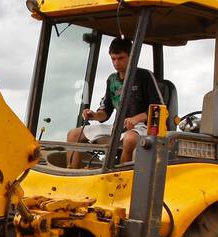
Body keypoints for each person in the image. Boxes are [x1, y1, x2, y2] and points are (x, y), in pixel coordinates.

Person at [65, 38, 166, 167]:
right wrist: (94, 115)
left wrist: (136, 119)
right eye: (113, 59)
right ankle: (74, 174)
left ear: (132, 56)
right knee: (73, 134)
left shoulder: (144, 76)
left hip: (143, 128)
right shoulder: (112, 80)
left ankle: (121, 181)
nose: (116, 63)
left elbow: (159, 108)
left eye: (120, 58)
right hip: (118, 128)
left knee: (129, 140)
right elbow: (105, 111)